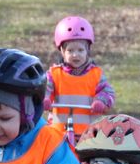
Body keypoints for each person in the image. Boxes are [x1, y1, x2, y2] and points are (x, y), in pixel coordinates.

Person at [44, 16, 117, 147]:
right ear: (61, 51)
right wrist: (44, 99)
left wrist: (101, 101)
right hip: (58, 133)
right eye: (70, 50)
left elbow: (108, 92)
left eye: (80, 50)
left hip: (89, 134)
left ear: (88, 50)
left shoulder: (96, 75)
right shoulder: (54, 74)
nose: (75, 55)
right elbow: (44, 88)